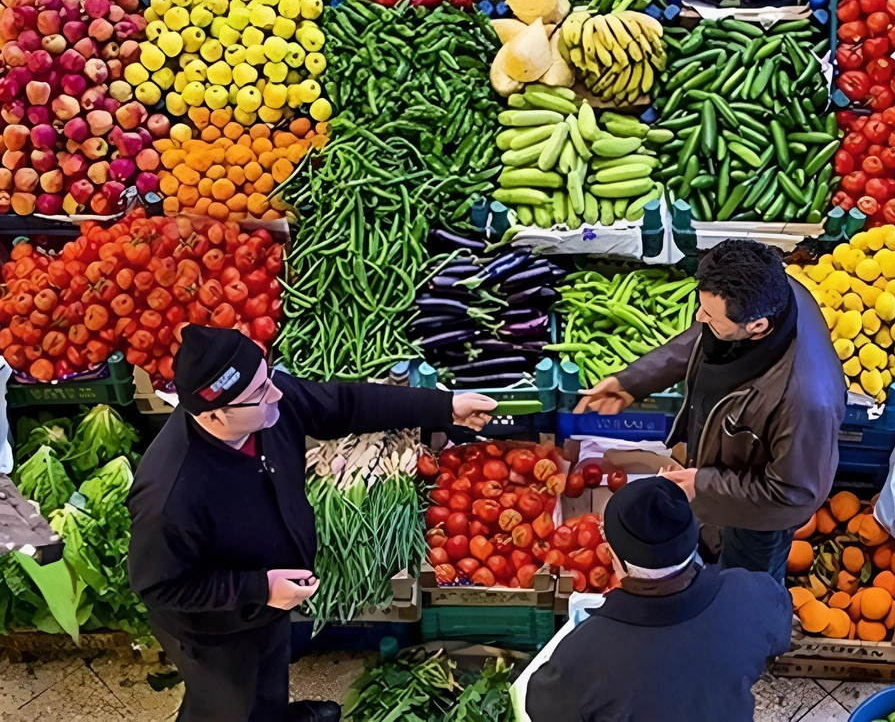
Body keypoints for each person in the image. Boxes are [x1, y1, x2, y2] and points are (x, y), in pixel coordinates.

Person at [128, 325, 497, 722]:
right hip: (216, 629)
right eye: (259, 393)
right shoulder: (170, 495)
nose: (277, 394)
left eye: (268, 378)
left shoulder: (264, 407)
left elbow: (343, 404)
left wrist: (444, 406)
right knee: (228, 703)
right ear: (215, 415)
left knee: (269, 674)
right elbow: (158, 586)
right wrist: (259, 588)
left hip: (268, 601)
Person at [577, 238, 845, 582]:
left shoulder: (806, 401)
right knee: (715, 536)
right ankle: (714, 545)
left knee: (746, 580)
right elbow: (703, 337)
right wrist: (633, 381)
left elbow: (792, 495)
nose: (699, 317)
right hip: (726, 466)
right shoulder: (769, 291)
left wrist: (703, 485)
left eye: (709, 314)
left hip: (760, 517)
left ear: (758, 326)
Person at [525, 477, 792, 721]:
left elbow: (542, 708)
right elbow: (777, 639)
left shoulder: (584, 653)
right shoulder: (755, 593)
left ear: (616, 558)